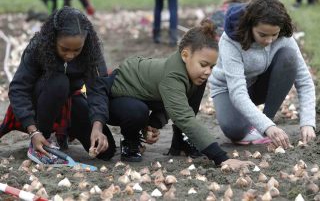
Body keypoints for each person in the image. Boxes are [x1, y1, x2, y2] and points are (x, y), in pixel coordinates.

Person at [99, 19, 253, 169]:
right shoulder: (173, 76)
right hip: (114, 100)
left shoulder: (196, 73)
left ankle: (181, 141)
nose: (208, 71)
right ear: (185, 55)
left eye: (212, 66)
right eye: (204, 65)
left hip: (147, 98)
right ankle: (130, 141)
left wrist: (154, 124)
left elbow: (182, 107)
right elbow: (182, 116)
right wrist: (222, 158)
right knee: (137, 110)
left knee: (184, 104)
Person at [0, 6, 115, 165]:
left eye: (77, 50)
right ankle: (42, 139)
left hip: (69, 101)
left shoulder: (91, 52)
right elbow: (18, 89)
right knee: (59, 82)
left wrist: (98, 126)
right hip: (41, 99)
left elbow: (98, 91)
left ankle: (62, 134)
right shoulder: (38, 47)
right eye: (65, 49)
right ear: (53, 39)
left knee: (106, 152)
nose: (70, 55)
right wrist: (34, 132)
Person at [209, 0, 316, 149]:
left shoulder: (283, 35)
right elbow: (238, 93)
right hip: (229, 90)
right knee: (235, 130)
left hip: (257, 84)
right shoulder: (231, 41)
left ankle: (267, 121)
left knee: (289, 57)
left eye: (274, 34)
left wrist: (307, 123)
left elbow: (304, 80)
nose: (269, 40)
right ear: (250, 26)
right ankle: (263, 125)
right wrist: (267, 126)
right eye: (263, 34)